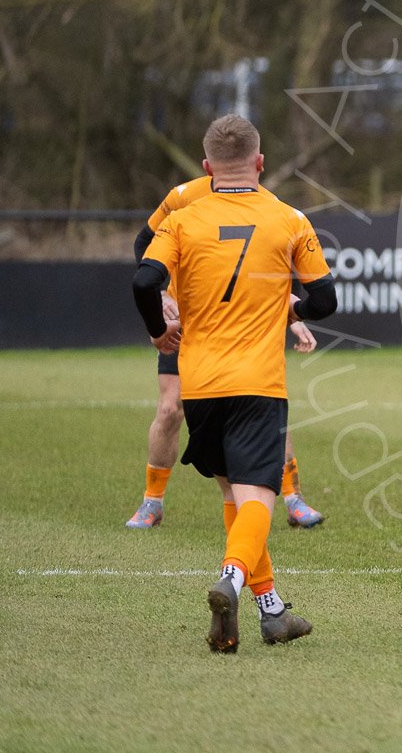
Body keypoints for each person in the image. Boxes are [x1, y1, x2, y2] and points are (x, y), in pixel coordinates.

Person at [132, 114, 337, 652]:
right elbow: (326, 300)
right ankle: (231, 576)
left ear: (207, 168)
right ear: (260, 163)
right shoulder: (288, 218)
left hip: (198, 384)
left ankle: (272, 611)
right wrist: (292, 304)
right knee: (259, 500)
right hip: (258, 384)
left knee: (232, 491)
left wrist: (159, 331)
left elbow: (143, 277)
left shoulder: (182, 218)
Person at [126, 177, 325, 530]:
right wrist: (161, 295)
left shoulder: (268, 202)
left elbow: (276, 260)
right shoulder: (184, 197)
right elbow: (145, 242)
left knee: (265, 403)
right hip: (191, 320)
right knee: (171, 407)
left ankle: (293, 498)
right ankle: (151, 502)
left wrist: (289, 316)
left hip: (244, 325)